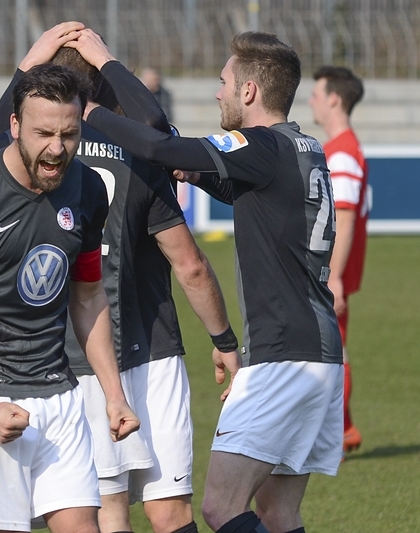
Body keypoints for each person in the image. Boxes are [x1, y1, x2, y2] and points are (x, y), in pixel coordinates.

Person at [0, 25, 239, 533]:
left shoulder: (32, 157)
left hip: (77, 354)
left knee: (107, 509)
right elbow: (190, 264)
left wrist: (26, 65)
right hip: (154, 349)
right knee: (172, 511)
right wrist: (224, 339)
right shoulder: (140, 153)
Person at [81, 31, 343, 533]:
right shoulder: (303, 147)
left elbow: (157, 144)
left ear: (249, 90)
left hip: (282, 356)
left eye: (224, 82)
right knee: (277, 512)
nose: (218, 93)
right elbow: (249, 191)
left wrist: (91, 107)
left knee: (221, 507)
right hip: (322, 355)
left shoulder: (261, 144)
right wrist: (195, 172)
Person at [0, 63, 140, 533]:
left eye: (69, 134)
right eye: (44, 134)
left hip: (57, 390)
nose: (57, 149)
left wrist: (114, 395)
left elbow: (88, 295)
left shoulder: (88, 188)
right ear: (15, 125)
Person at [309, 65, 369, 456]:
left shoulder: (343, 153)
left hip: (330, 273)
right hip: (331, 271)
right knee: (328, 348)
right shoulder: (341, 149)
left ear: (333, 99)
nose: (311, 101)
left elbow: (343, 220)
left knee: (331, 350)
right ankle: (341, 430)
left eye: (316, 94)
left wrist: (333, 277)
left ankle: (339, 431)